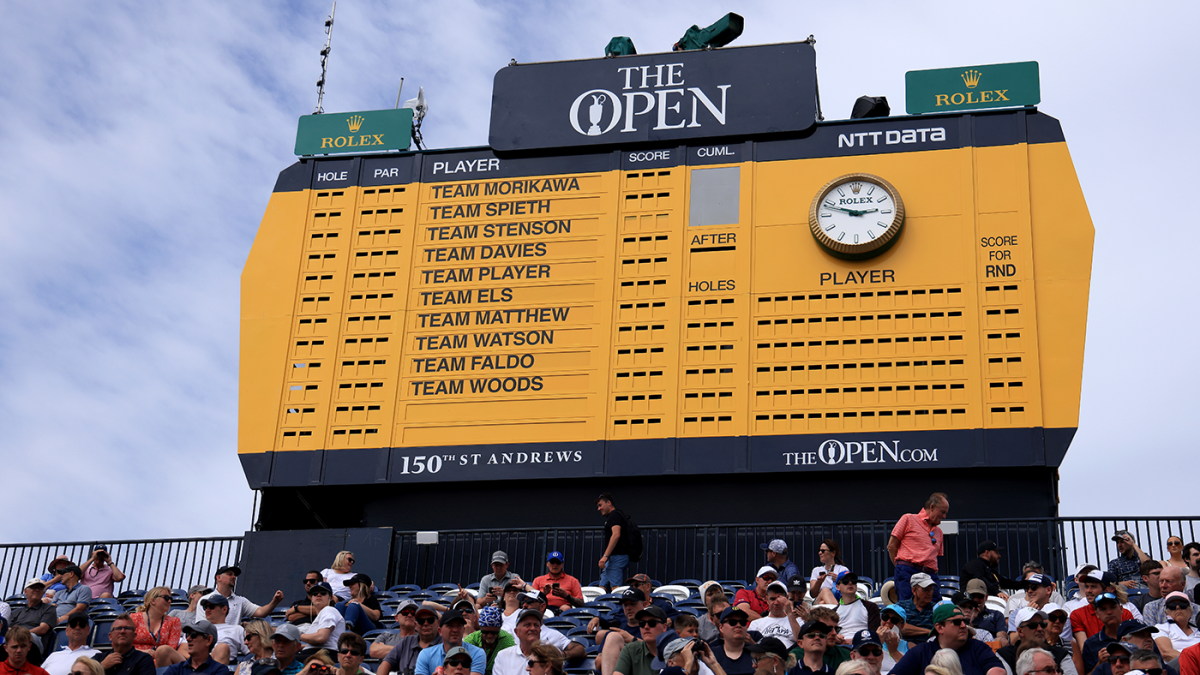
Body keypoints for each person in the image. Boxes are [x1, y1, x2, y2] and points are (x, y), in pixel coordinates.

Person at [888, 605, 1005, 675]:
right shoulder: (921, 652)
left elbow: (998, 671)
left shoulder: (978, 647)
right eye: (957, 622)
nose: (964, 625)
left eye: (965, 621)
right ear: (939, 628)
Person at [888, 494, 948, 603]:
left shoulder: (939, 532)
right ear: (932, 507)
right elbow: (891, 546)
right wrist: (900, 566)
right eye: (942, 512)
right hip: (908, 571)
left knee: (935, 608)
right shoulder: (908, 519)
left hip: (930, 574)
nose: (944, 516)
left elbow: (934, 557)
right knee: (907, 607)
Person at [996, 608, 1075, 675]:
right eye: (1033, 625)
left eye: (1042, 624)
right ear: (1020, 631)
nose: (1040, 629)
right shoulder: (1005, 654)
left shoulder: (1060, 653)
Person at [198, 565, 284, 625]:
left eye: (234, 575)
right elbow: (202, 626)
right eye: (230, 574)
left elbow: (261, 612)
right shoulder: (205, 600)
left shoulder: (240, 601)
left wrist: (275, 602)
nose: (234, 577)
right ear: (218, 577)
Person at [511, 594, 582, 660]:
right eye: (523, 602)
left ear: (542, 606)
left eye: (529, 602)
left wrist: (560, 655)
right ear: (516, 632)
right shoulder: (511, 630)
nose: (524, 605)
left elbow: (580, 649)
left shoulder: (552, 634)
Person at [414, 610, 485, 675]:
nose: (455, 630)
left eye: (459, 626)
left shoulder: (477, 653)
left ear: (464, 630)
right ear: (440, 631)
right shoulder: (426, 654)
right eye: (450, 626)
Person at [378, 605, 443, 675]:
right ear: (415, 625)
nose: (426, 623)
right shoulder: (407, 641)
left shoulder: (445, 643)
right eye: (421, 621)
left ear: (438, 623)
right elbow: (386, 663)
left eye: (430, 620)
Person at [612, 606, 673, 675]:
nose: (646, 627)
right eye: (642, 623)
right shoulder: (630, 649)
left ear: (664, 627)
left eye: (652, 623)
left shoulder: (676, 651)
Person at [132, 586, 185, 666]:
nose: (170, 601)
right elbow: (123, 645)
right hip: (136, 657)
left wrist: (156, 654)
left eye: (171, 599)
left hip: (160, 661)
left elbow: (170, 648)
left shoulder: (174, 621)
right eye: (166, 598)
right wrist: (141, 652)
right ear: (152, 600)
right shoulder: (134, 618)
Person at [1078, 595, 1126, 675]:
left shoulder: (1136, 635)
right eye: (1103, 609)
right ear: (1097, 614)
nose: (1109, 612)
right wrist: (1100, 664)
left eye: (1113, 607)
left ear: (1121, 609)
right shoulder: (1090, 644)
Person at [12, 579, 57, 663]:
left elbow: (43, 629)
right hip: (14, 639)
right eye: (34, 587)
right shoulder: (16, 612)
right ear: (25, 591)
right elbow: (7, 629)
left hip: (35, 642)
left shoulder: (49, 609)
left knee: (30, 635)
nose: (37, 590)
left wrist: (21, 635)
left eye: (40, 588)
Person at [491, 610, 550, 675]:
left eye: (536, 625)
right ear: (516, 632)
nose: (533, 628)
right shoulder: (503, 656)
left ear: (540, 630)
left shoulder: (550, 655)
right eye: (527, 625)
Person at [749, 582, 802, 648]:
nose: (776, 603)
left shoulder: (798, 622)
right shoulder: (756, 623)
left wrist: (789, 613)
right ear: (767, 600)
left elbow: (801, 641)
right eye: (772, 599)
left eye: (780, 599)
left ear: (786, 599)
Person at [597, 494, 633, 591]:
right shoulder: (614, 516)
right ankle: (600, 605)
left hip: (618, 556)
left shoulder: (614, 514)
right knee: (602, 586)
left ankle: (617, 605)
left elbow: (616, 534)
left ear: (609, 503)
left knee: (615, 588)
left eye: (600, 505)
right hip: (613, 558)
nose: (599, 509)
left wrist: (605, 556)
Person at [464, 606, 513, 675]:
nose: (489, 636)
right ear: (480, 628)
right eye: (485, 632)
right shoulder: (470, 640)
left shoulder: (507, 639)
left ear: (499, 628)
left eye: (494, 632)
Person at [200, 594, 247, 665]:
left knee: (222, 647)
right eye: (205, 607)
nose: (207, 610)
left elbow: (251, 652)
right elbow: (183, 650)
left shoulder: (237, 629)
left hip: (219, 666)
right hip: (196, 665)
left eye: (211, 607)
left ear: (224, 609)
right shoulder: (197, 628)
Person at [299, 582, 345, 653]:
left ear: (331, 598)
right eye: (315, 593)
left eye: (323, 592)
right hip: (317, 652)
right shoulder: (322, 614)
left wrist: (298, 635)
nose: (318, 595)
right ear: (311, 598)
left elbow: (321, 638)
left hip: (325, 654)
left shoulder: (329, 610)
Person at [1154, 591, 1200, 660]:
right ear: (1166, 613)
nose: (1178, 607)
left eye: (1182, 605)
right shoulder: (1161, 628)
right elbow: (1166, 653)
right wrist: (1193, 662)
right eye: (1172, 606)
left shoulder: (1198, 631)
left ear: (1191, 612)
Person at [835, 572, 880, 637]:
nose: (850, 583)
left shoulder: (871, 607)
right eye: (845, 581)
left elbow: (873, 633)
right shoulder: (833, 612)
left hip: (863, 645)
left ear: (856, 586)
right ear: (838, 587)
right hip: (841, 645)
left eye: (853, 581)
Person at [711, 608, 755, 675]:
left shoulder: (758, 654)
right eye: (732, 622)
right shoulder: (711, 655)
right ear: (721, 628)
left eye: (742, 622)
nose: (738, 625)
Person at [898, 574, 939, 640]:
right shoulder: (902, 606)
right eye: (925, 590)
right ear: (914, 590)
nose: (929, 593)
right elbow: (901, 627)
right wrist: (929, 631)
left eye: (931, 589)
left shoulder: (936, 608)